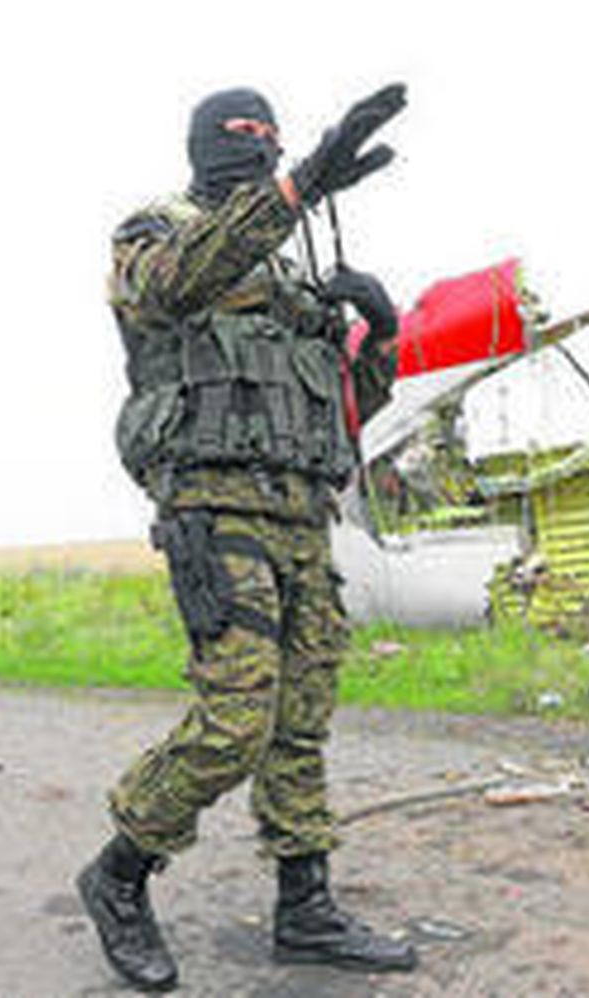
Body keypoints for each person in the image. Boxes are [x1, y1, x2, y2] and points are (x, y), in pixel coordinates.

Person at [77, 83, 414, 992]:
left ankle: (306, 909)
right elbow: (180, 283)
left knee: (300, 722)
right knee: (236, 721)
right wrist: (300, 187)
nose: (254, 152)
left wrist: (382, 330)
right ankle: (118, 876)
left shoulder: (295, 279)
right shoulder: (154, 232)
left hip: (300, 515)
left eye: (269, 142)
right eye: (240, 141)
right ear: (203, 150)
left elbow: (344, 413)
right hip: (215, 512)